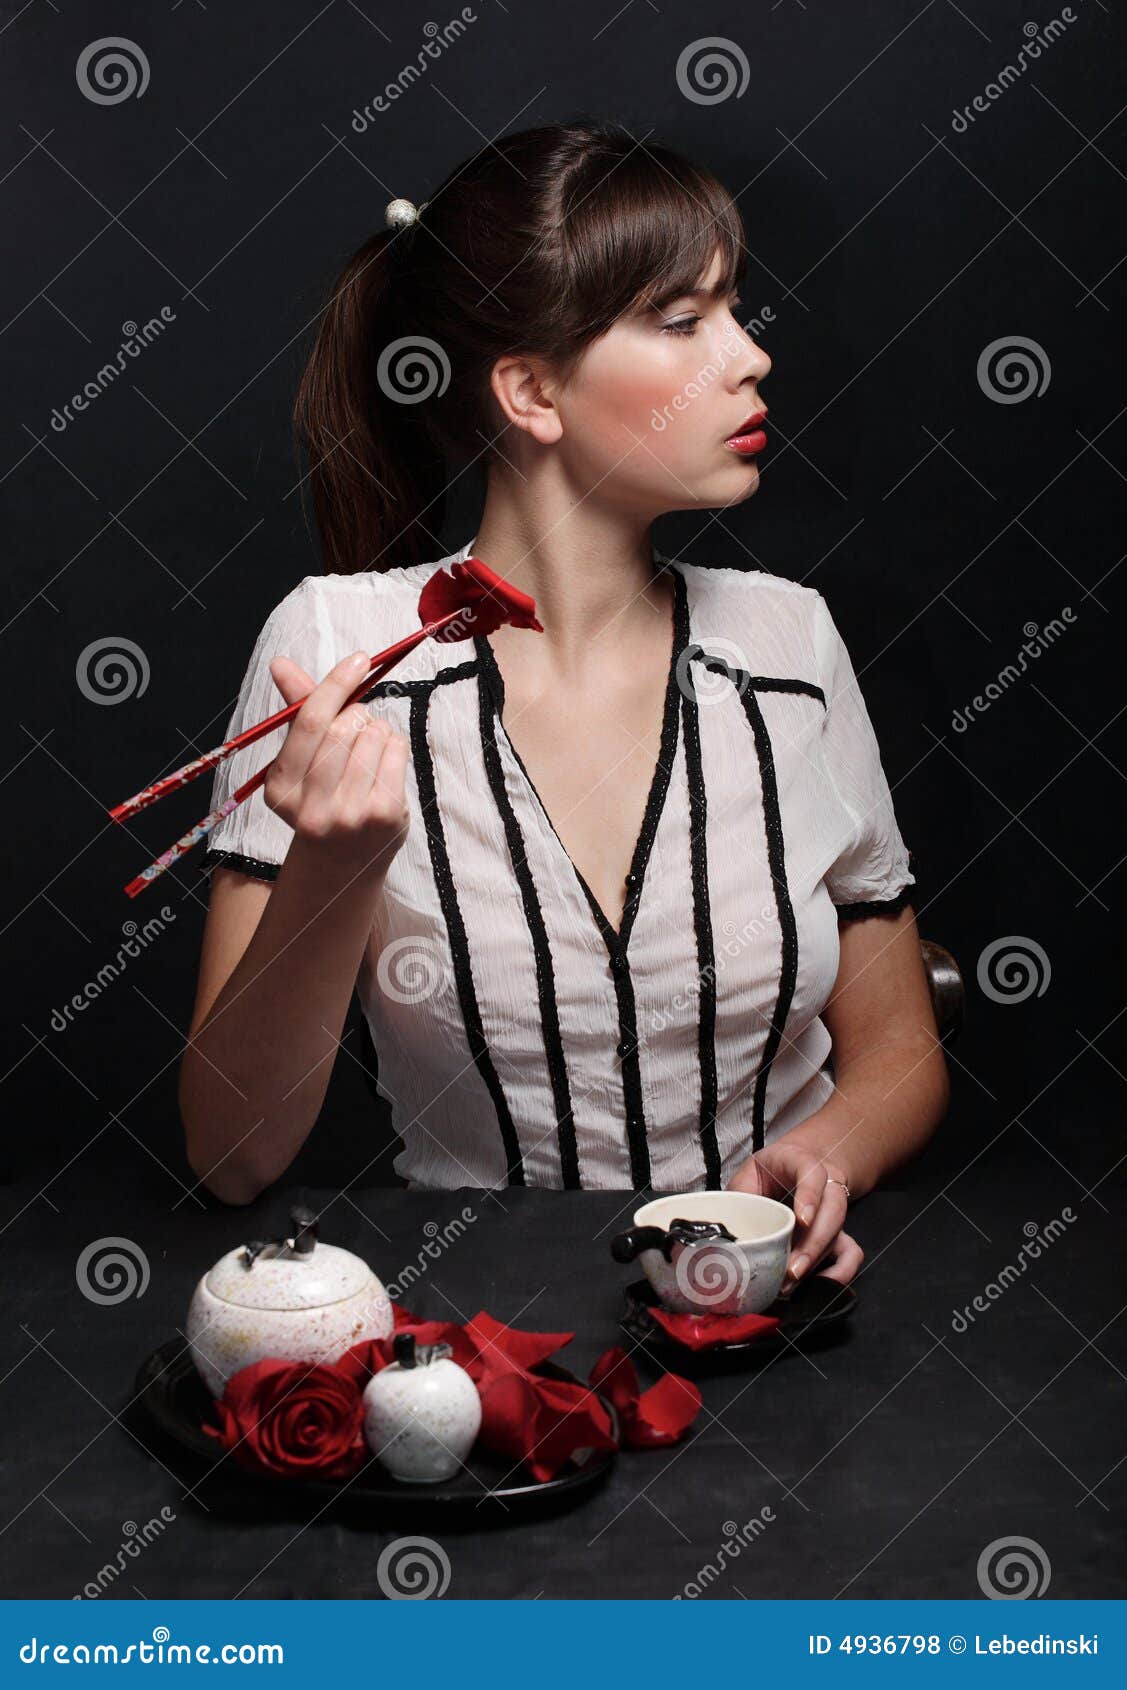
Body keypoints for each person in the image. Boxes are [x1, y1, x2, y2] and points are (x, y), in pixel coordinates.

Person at [178, 120, 949, 1299]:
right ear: (531, 390)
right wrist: (333, 867)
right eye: (683, 323)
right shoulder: (333, 649)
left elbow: (898, 1051)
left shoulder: (788, 642)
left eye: (732, 311)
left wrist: (823, 1151)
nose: (748, 358)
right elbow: (233, 1158)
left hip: (780, 1325)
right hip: (485, 1334)